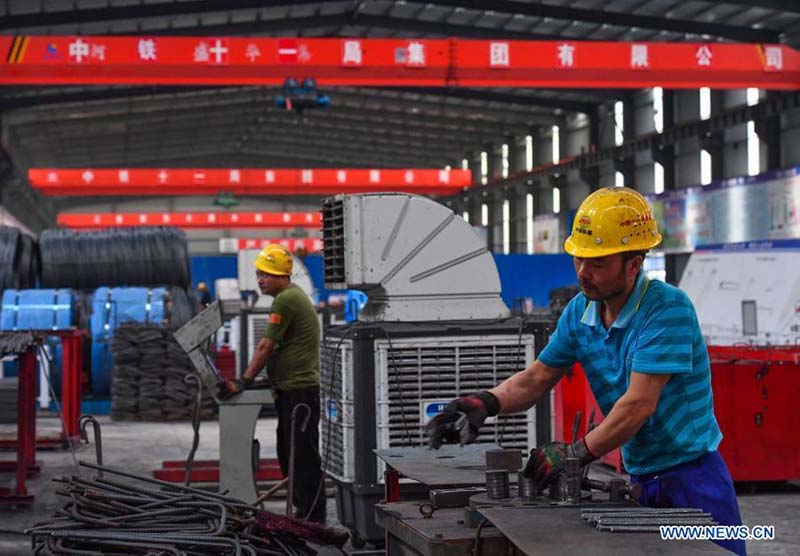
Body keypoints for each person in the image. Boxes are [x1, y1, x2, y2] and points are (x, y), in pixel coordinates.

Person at [429, 187, 745, 555]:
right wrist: (486, 401)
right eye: (579, 259)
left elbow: (638, 405)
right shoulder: (580, 312)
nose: (583, 272)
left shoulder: (667, 310)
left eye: (597, 263)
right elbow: (537, 377)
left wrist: (575, 452)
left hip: (693, 481)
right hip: (641, 478)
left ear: (634, 263)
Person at [219, 244, 326, 523]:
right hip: (291, 390)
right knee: (289, 453)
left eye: (266, 274)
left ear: (282, 276)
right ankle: (304, 511)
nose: (260, 279)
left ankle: (313, 517)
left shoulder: (286, 300)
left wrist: (243, 381)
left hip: (299, 390)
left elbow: (266, 345)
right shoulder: (289, 296)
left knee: (301, 455)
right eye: (258, 274)